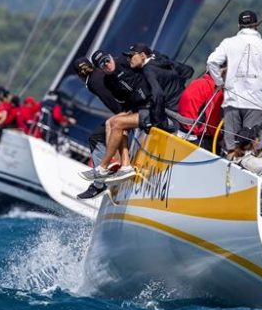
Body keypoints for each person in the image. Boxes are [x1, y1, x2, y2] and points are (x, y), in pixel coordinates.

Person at [206, 10, 262, 156]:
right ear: (257, 26)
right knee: (255, 148)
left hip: (232, 101)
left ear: (238, 26)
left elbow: (212, 62)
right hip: (256, 103)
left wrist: (220, 82)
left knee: (231, 147)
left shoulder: (228, 43)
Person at [79, 50, 151, 183]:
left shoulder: (124, 62)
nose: (107, 64)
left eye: (107, 60)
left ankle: (103, 167)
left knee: (117, 123)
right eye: (102, 64)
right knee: (111, 123)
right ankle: (124, 165)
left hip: (150, 108)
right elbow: (121, 99)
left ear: (111, 56)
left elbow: (144, 61)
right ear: (99, 68)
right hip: (136, 108)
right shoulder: (108, 80)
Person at [73, 56, 125, 199]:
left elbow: (110, 99)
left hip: (127, 111)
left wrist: (122, 115)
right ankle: (113, 167)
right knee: (108, 128)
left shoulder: (92, 83)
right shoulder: (100, 73)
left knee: (96, 138)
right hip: (131, 107)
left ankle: (99, 183)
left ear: (79, 76)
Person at [126, 43, 188, 132]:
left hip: (175, 114)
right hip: (184, 105)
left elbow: (158, 95)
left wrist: (157, 120)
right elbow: (188, 72)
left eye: (131, 55)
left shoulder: (148, 70)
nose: (128, 59)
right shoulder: (160, 60)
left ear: (142, 56)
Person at [177, 69, 224, 149]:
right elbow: (212, 118)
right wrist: (219, 137)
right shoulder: (214, 89)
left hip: (182, 128)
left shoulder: (197, 81)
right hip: (198, 136)